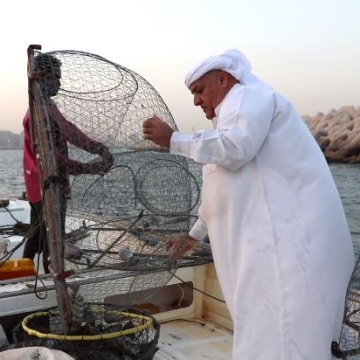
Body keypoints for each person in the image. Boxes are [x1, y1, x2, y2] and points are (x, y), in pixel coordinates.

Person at [142, 49, 355, 359]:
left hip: (293, 248)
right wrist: (193, 236)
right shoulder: (230, 118)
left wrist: (174, 139)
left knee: (287, 333)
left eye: (199, 91)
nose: (196, 101)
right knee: (265, 328)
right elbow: (221, 183)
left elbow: (235, 148)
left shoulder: (248, 96)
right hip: (276, 247)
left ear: (223, 79)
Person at [23, 53, 114, 273]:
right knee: (48, 235)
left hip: (52, 182)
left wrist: (99, 148)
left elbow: (70, 132)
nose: (59, 83)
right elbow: (53, 158)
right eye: (54, 77)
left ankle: (28, 272)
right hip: (43, 184)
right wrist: (88, 168)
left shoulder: (49, 106)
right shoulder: (36, 113)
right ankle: (44, 276)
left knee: (40, 232)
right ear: (41, 78)